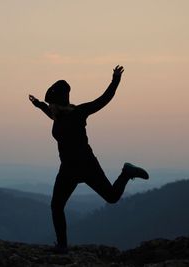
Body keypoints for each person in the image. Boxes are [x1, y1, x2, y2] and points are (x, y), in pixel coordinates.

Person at [28, 65, 149, 254]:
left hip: (86, 165)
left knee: (112, 197)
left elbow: (103, 100)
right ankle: (62, 246)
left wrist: (115, 80)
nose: (49, 106)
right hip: (68, 169)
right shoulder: (56, 115)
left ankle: (126, 172)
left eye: (51, 103)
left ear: (59, 103)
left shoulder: (79, 112)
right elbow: (47, 111)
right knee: (56, 206)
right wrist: (37, 104)